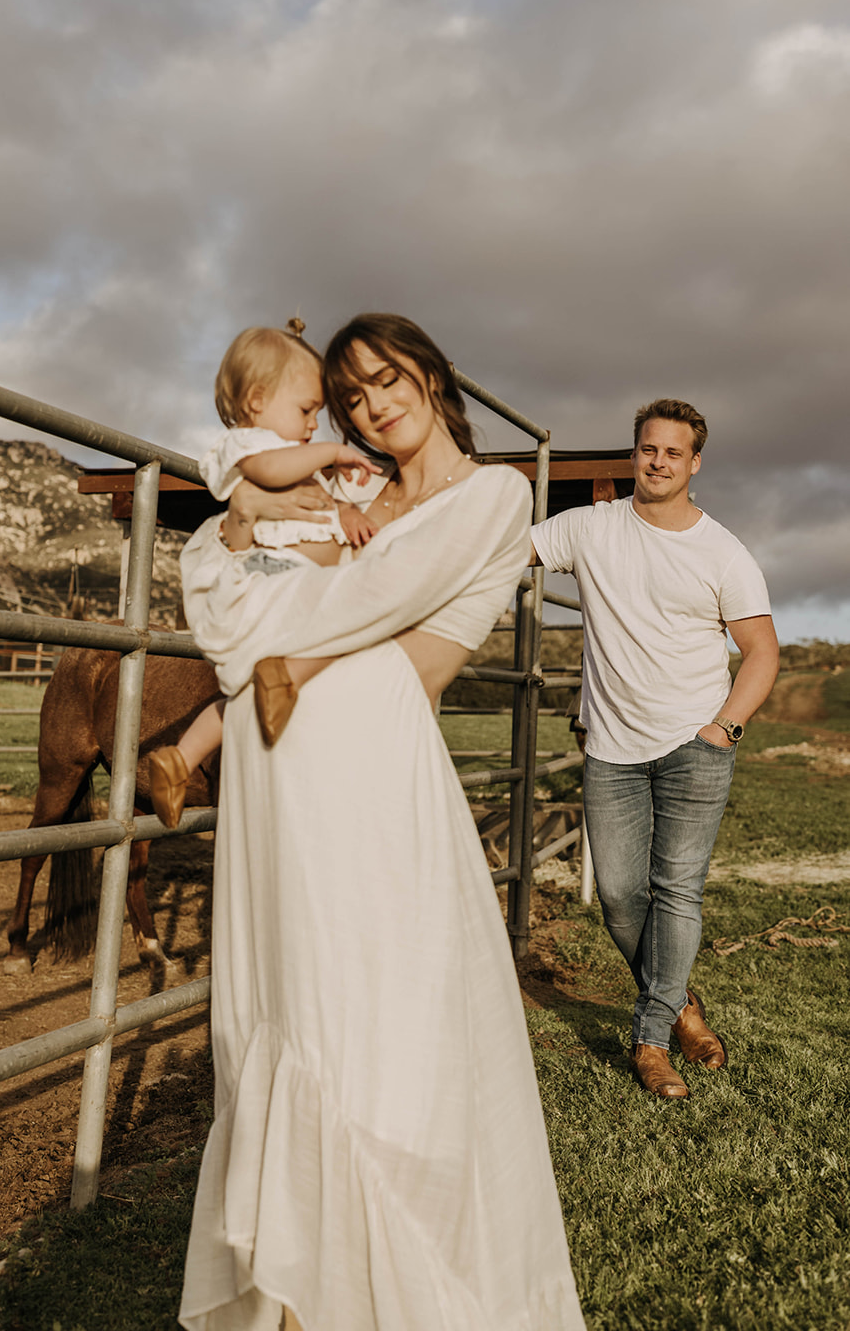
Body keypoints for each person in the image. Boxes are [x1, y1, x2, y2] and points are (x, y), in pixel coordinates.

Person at [177, 314, 587, 1331]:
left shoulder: (491, 494)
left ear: (431, 375)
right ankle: (292, 1285)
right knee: (283, 993)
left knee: (374, 1008)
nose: (369, 406)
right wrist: (245, 540)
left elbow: (371, 596)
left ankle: (382, 1273)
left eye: (383, 380)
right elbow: (212, 579)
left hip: (365, 745)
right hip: (279, 750)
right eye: (349, 396)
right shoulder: (347, 489)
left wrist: (266, 597)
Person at [530, 398, 779, 1100]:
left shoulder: (721, 550)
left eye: (673, 452)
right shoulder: (587, 529)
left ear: (693, 463)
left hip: (693, 744)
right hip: (610, 747)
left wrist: (723, 728)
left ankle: (649, 1039)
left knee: (675, 890)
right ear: (633, 453)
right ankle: (681, 1006)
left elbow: (761, 651)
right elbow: (503, 550)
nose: (658, 461)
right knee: (617, 896)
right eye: (647, 449)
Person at [148, 321, 382, 828]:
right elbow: (271, 474)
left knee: (244, 697)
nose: (314, 425)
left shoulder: (299, 459)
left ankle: (180, 760)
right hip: (273, 578)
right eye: (306, 410)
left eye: (318, 414)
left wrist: (347, 514)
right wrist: (335, 452)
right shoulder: (250, 447)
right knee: (350, 627)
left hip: (292, 583)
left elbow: (324, 506)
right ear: (256, 401)